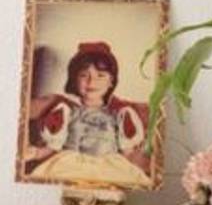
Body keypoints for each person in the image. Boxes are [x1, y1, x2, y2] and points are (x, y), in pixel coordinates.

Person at [23, 41, 152, 187]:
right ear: (75, 79)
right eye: (84, 75)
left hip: (108, 166)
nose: (92, 81)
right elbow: (53, 148)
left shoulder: (121, 114)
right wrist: (36, 153)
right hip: (69, 163)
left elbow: (129, 153)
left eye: (100, 75)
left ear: (111, 81)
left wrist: (148, 164)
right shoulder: (65, 110)